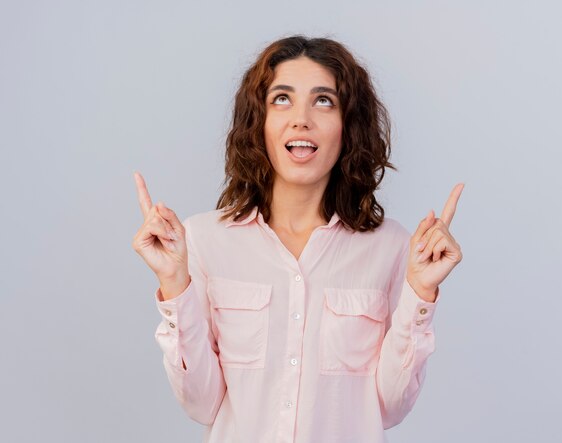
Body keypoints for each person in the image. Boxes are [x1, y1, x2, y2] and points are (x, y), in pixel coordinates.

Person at [132, 35, 464, 443]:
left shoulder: (394, 248)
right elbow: (201, 403)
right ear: (259, 123)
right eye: (282, 99)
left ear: (348, 127)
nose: (301, 119)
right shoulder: (202, 240)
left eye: (323, 100)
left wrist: (421, 292)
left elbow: (390, 408)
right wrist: (174, 285)